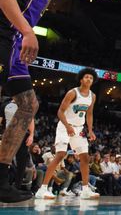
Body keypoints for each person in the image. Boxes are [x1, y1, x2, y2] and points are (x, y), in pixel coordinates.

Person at [0, 0, 76, 202]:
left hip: (14, 40)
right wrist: (27, 32)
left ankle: (2, 179)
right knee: (27, 104)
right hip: (6, 36)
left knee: (28, 104)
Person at [36, 68, 100, 199]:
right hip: (65, 126)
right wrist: (67, 126)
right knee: (60, 155)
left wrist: (91, 130)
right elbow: (60, 111)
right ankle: (42, 189)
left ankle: (85, 190)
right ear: (81, 79)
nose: (89, 79)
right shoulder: (73, 93)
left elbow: (89, 113)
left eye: (91, 78)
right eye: (86, 77)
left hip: (79, 129)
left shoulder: (92, 96)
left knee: (85, 158)